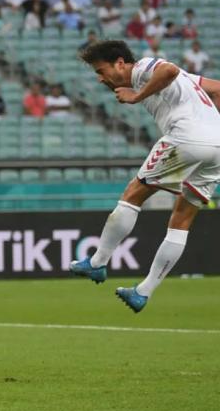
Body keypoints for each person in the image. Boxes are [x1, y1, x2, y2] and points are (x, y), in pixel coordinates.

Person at [72, 40, 220, 313]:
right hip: (217, 147)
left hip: (186, 137)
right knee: (181, 220)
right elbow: (218, 89)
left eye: (101, 70)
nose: (100, 78)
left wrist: (136, 96)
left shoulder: (142, 68)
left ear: (120, 63)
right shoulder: (189, 79)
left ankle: (97, 262)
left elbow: (169, 70)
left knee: (134, 194)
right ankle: (143, 292)